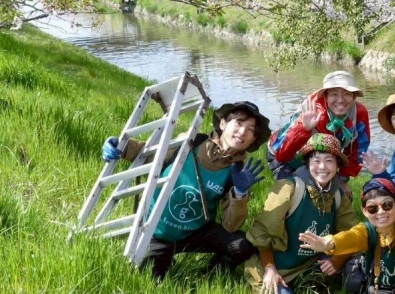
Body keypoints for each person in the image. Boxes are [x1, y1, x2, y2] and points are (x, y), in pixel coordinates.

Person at [101, 101, 271, 280]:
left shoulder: (238, 173)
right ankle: (163, 256)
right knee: (152, 277)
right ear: (222, 124)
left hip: (195, 233)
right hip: (156, 232)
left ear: (253, 139)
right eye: (238, 123)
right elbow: (150, 154)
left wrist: (240, 192)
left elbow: (231, 225)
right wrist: (120, 147)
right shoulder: (191, 142)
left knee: (242, 244)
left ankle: (210, 278)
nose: (243, 132)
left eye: (251, 129)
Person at [244, 134, 358, 294]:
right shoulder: (288, 188)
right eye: (316, 161)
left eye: (329, 161)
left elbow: (353, 234)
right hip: (275, 265)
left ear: (337, 167)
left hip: (308, 264)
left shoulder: (337, 196)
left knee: (358, 260)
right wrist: (270, 269)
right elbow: (262, 234)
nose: (322, 167)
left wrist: (338, 259)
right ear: (307, 164)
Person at [267, 70, 370, 198]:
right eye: (334, 94)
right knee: (295, 195)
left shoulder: (359, 113)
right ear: (325, 96)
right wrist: (304, 129)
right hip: (284, 156)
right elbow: (282, 154)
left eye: (347, 94)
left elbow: (358, 149)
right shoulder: (311, 111)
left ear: (354, 97)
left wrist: (343, 179)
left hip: (318, 159)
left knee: (337, 195)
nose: (340, 100)